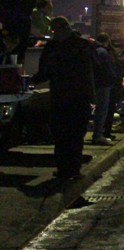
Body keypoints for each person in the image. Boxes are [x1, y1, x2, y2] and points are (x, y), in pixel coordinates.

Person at [31, 16, 94, 180]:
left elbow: (44, 72)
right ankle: (73, 169)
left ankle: (63, 169)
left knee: (61, 135)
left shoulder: (52, 47)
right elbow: (89, 73)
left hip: (60, 96)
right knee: (75, 134)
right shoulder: (82, 45)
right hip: (79, 97)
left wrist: (30, 81)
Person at [90, 33, 117, 145]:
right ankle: (98, 135)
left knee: (100, 109)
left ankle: (98, 134)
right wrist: (113, 78)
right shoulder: (102, 51)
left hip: (97, 83)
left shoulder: (94, 50)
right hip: (103, 84)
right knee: (102, 109)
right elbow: (106, 69)